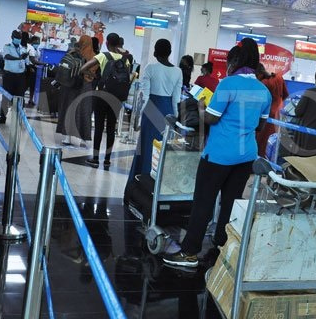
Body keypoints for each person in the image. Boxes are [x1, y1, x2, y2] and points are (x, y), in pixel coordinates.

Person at [163, 39, 271, 268]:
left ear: (234, 62)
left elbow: (212, 118)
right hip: (246, 156)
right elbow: (260, 126)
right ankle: (222, 246)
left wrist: (201, 108)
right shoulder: (264, 91)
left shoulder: (228, 84)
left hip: (220, 154)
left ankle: (190, 252)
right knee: (230, 203)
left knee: (203, 201)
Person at [127, 39, 182, 183]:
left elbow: (144, 97)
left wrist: (137, 119)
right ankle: (156, 185)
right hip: (168, 113)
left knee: (146, 148)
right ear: (169, 52)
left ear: (155, 51)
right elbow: (176, 99)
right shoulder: (178, 71)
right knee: (161, 150)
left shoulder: (150, 68)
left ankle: (140, 182)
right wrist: (176, 121)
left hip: (151, 110)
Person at [79, 32, 131, 169]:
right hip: (117, 97)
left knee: (99, 127)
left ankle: (95, 158)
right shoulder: (125, 59)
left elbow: (83, 69)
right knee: (111, 128)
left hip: (102, 95)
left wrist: (95, 77)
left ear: (107, 43)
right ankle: (107, 159)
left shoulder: (103, 56)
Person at [55, 35, 97, 146]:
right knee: (83, 112)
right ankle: (84, 139)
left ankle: (66, 138)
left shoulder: (72, 52)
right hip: (85, 87)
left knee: (68, 109)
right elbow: (94, 74)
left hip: (69, 86)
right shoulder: (93, 56)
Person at [255, 63, 289, 158]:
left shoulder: (263, 83)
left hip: (267, 114)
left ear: (258, 74)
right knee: (274, 141)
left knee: (262, 141)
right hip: (279, 113)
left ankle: (259, 163)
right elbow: (286, 94)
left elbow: (259, 102)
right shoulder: (279, 77)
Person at [0, 30, 29, 124]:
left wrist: (25, 58)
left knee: (20, 97)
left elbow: (26, 61)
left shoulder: (22, 48)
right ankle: (2, 117)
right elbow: (7, 56)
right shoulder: (7, 46)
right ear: (12, 37)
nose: (18, 40)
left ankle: (19, 118)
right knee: (6, 96)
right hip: (9, 75)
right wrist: (19, 58)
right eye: (16, 38)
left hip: (20, 75)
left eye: (19, 38)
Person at [25, 34, 42, 107]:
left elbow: (37, 59)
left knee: (32, 85)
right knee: (25, 85)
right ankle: (21, 99)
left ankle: (31, 100)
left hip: (34, 67)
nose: (37, 44)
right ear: (32, 42)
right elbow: (31, 60)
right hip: (28, 67)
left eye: (38, 43)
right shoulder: (29, 47)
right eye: (36, 42)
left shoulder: (37, 50)